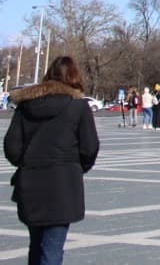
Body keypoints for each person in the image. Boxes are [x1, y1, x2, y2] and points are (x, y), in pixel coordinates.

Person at [5, 55, 100, 265]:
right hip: (63, 184)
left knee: (36, 246)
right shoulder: (78, 107)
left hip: (30, 183)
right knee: (52, 248)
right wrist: (75, 168)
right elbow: (90, 147)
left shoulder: (25, 106)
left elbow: (11, 146)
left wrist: (28, 162)